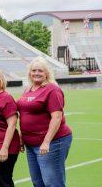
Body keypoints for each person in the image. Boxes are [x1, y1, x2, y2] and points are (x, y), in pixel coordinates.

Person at [17, 57, 72, 187]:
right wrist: (22, 137)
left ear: (46, 73)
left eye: (40, 71)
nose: (36, 73)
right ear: (29, 73)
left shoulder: (52, 89)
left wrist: (46, 142)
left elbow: (57, 117)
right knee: (37, 182)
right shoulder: (28, 89)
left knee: (53, 183)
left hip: (52, 143)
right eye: (33, 70)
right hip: (31, 144)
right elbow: (25, 114)